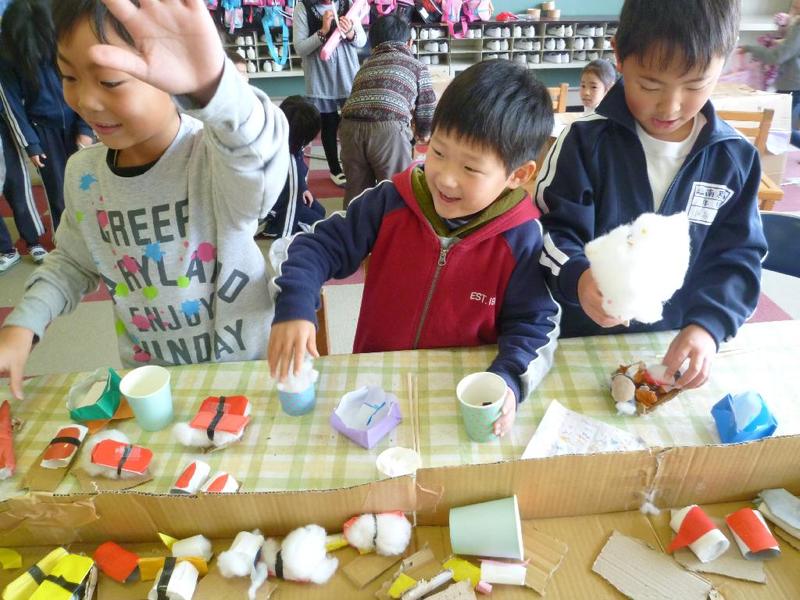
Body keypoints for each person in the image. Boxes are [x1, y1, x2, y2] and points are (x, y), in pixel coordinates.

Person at [0, 0, 288, 400]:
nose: (86, 101)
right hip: (153, 382)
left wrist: (214, 85)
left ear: (173, 74)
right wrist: (24, 323)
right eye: (68, 76)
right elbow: (72, 263)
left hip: (246, 372)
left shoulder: (215, 156)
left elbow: (260, 158)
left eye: (110, 81)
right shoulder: (83, 175)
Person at [268, 60, 560, 437]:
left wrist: (508, 379)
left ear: (518, 175)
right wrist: (295, 303)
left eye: (471, 169)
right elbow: (317, 246)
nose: (446, 178)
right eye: (438, 152)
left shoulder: (523, 239)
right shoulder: (391, 201)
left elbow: (534, 325)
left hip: (458, 397)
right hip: (377, 386)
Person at [535, 0, 767, 391]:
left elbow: (737, 256)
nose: (670, 106)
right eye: (650, 85)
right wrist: (578, 276)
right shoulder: (585, 141)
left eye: (695, 85)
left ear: (723, 63)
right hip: (581, 339)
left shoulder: (733, 157)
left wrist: (709, 325)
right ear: (619, 57)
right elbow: (549, 232)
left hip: (673, 345)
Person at [0, 0, 94, 232]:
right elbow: (11, 105)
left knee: (90, 184)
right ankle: (64, 240)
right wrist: (31, 144)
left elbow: (85, 83)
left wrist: (85, 128)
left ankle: (97, 233)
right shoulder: (8, 54)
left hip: (76, 119)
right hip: (42, 130)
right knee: (58, 192)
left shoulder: (61, 38)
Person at [339, 14, 436, 206]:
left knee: (356, 192)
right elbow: (427, 105)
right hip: (387, 130)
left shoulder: (365, 66)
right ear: (409, 43)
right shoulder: (416, 66)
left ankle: (354, 222)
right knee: (396, 189)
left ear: (373, 46)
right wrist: (423, 132)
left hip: (349, 127)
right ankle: (392, 223)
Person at [293, 0, 366, 187]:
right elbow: (300, 48)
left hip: (347, 76)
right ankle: (335, 169)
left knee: (354, 124)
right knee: (328, 124)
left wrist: (350, 32)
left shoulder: (348, 3)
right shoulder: (303, 8)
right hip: (320, 78)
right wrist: (323, 31)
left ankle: (356, 166)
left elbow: (361, 41)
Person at [260, 96, 326, 238]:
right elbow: (290, 207)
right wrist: (285, 239)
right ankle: (270, 225)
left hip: (279, 194)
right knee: (320, 225)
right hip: (270, 206)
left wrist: (303, 188)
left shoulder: (286, 138)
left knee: (320, 211)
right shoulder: (288, 161)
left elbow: (297, 176)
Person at [741, 0, 800, 147]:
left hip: (793, 85)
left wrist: (750, 48)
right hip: (795, 83)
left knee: (777, 128)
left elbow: (776, 57)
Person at [0, 103, 49, 272]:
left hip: (5, 138)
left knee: (19, 193)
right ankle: (6, 250)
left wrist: (30, 145)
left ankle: (33, 242)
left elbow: (11, 108)